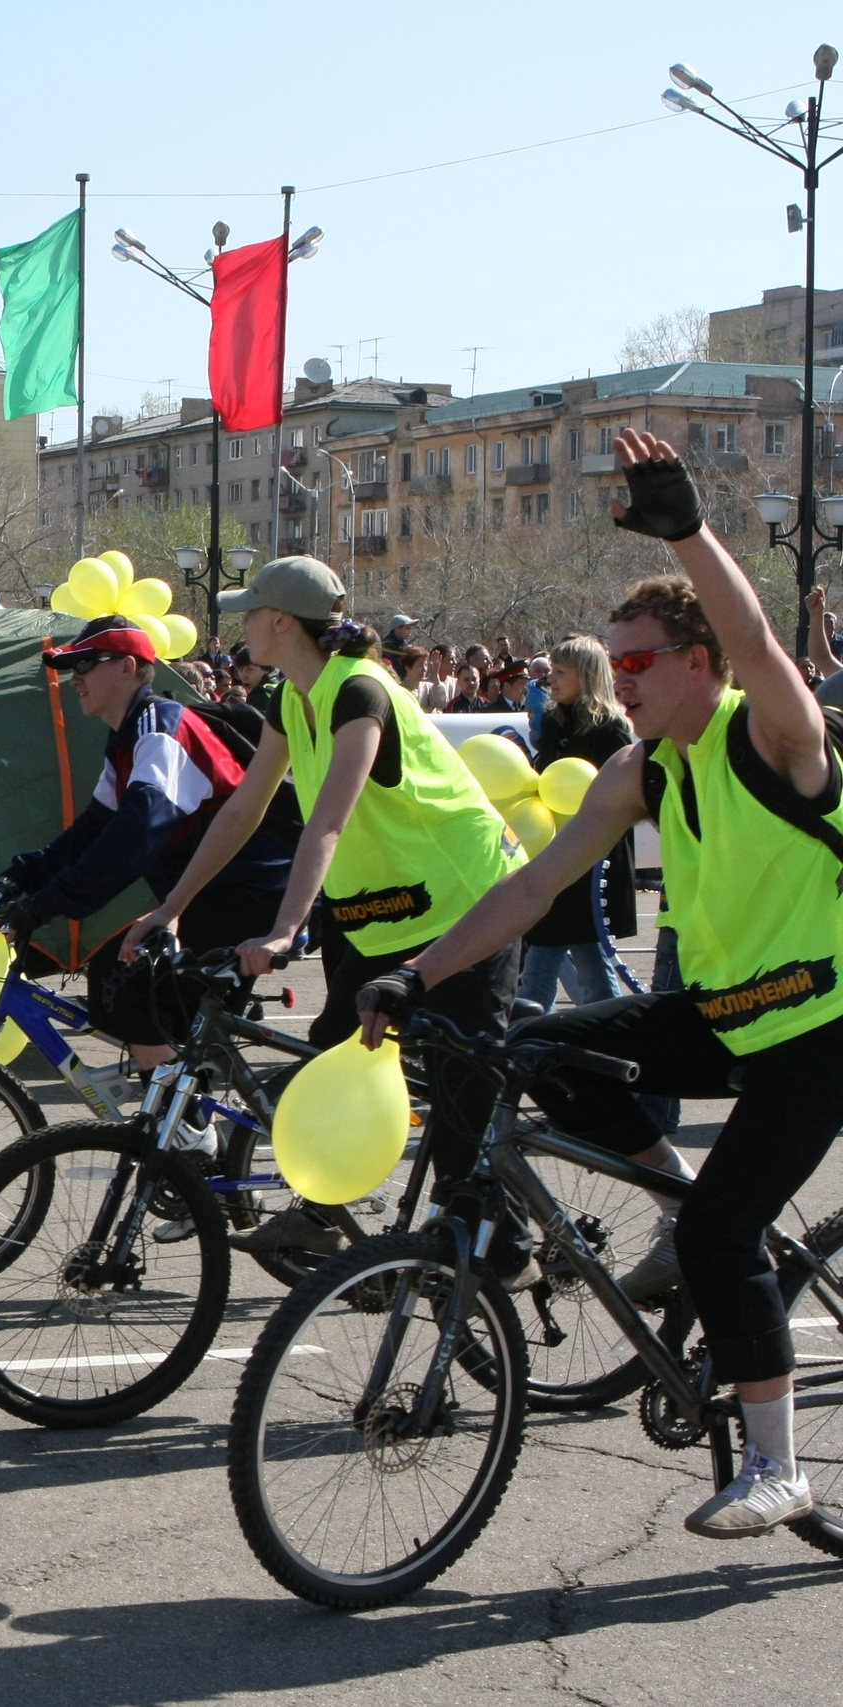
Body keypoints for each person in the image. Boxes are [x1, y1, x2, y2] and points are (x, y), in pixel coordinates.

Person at [360, 427, 843, 1540]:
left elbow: (762, 638)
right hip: (723, 1014)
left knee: (726, 1236)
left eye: (638, 664)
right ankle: (677, 1191)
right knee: (535, 1046)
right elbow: (530, 891)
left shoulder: (775, 738)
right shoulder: (638, 770)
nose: (617, 681)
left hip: (818, 1031)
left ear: (698, 664)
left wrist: (687, 526)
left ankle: (777, 1468)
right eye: (610, 664)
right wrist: (418, 972)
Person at [126, 556, 524, 1264]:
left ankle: (507, 1247)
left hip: (469, 903)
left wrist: (284, 927)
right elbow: (247, 805)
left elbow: (329, 820)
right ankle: (319, 1213)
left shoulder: (358, 692)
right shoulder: (290, 697)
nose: (241, 624)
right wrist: (175, 906)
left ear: (282, 621)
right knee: (333, 1058)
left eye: (250, 611)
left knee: (465, 1097)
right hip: (385, 915)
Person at [0, 615, 294, 1072]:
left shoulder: (160, 727)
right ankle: (173, 1115)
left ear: (128, 667)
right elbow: (92, 831)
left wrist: (51, 901)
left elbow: (135, 834)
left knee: (131, 990)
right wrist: (22, 873)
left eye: (86, 664)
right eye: (70, 668)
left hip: (249, 892)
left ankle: (188, 1132)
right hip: (212, 895)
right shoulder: (129, 737)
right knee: (116, 981)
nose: (73, 678)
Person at [518, 635, 637, 1014]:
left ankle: (530, 1032)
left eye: (561, 672)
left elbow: (618, 795)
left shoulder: (611, 729)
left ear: (585, 676)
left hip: (593, 856)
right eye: (551, 671)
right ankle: (534, 1032)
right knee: (559, 949)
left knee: (575, 953)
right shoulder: (554, 721)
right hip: (556, 848)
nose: (551, 679)